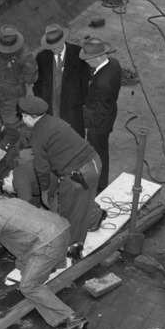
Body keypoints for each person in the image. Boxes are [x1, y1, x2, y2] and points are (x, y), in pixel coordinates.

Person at [0, 193, 88, 329]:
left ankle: (71, 317)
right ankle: (49, 273)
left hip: (47, 244)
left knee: (28, 286)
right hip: (62, 230)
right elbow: (2, 236)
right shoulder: (12, 202)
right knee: (22, 265)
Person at [19, 96, 105, 256]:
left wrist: (45, 189)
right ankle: (96, 217)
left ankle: (72, 247)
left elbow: (42, 168)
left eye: (24, 116)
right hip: (94, 163)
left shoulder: (38, 135)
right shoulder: (54, 121)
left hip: (78, 175)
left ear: (31, 117)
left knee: (67, 211)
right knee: (83, 203)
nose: (23, 120)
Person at [79, 38, 121, 192]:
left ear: (97, 58)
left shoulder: (103, 83)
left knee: (98, 152)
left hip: (99, 124)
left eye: (88, 60)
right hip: (109, 112)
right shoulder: (114, 64)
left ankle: (99, 185)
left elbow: (97, 113)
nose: (86, 63)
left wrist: (79, 114)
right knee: (101, 150)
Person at [34, 24, 89, 138]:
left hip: (72, 111)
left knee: (73, 141)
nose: (54, 49)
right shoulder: (42, 57)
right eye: (52, 47)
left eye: (57, 46)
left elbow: (85, 82)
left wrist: (79, 102)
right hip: (51, 111)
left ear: (63, 40)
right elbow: (38, 85)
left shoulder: (78, 54)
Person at [0, 25, 37, 131]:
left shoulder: (25, 56)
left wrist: (26, 89)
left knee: (11, 121)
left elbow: (30, 76)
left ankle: (21, 136)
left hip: (12, 92)